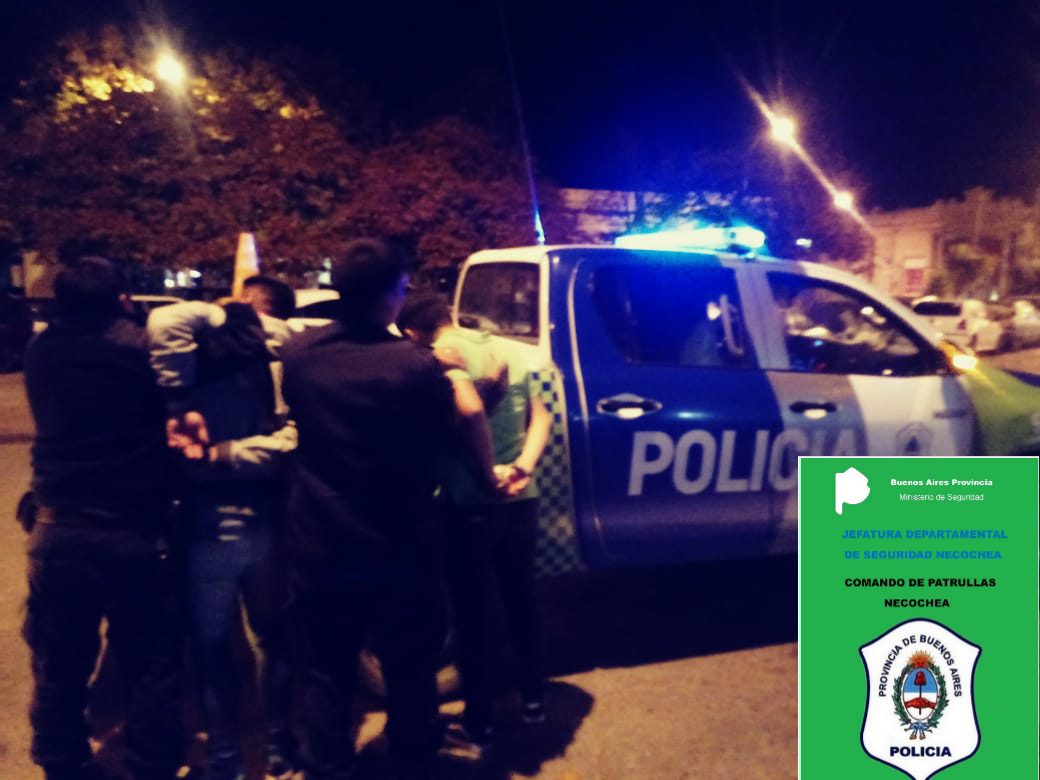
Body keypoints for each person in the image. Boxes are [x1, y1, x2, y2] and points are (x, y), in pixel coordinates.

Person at [282, 239, 475, 779]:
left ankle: (328, 764)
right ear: (393, 293)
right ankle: (412, 757)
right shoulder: (413, 366)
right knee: (409, 663)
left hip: (321, 538)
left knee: (327, 668)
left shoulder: (300, 357)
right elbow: (444, 433)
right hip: (398, 542)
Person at [22, 256, 183, 780]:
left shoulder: (41, 350)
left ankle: (62, 763)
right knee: (150, 661)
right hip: (131, 528)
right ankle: (149, 767)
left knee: (59, 661)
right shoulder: (138, 349)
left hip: (57, 527)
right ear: (121, 299)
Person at [148, 276, 298, 780]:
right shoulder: (282, 361)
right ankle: (277, 746)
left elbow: (165, 320)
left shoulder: (190, 360)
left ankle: (227, 760)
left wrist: (222, 311)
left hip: (205, 514)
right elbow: (294, 442)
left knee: (211, 646)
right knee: (274, 637)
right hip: (263, 509)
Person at [397, 293, 552, 755]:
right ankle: (534, 702)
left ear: (412, 332)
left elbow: (468, 415)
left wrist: (488, 475)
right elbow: (541, 416)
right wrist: (521, 468)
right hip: (521, 496)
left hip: (470, 502)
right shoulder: (512, 351)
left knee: (472, 614)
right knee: (521, 600)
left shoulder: (439, 358)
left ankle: (479, 723)